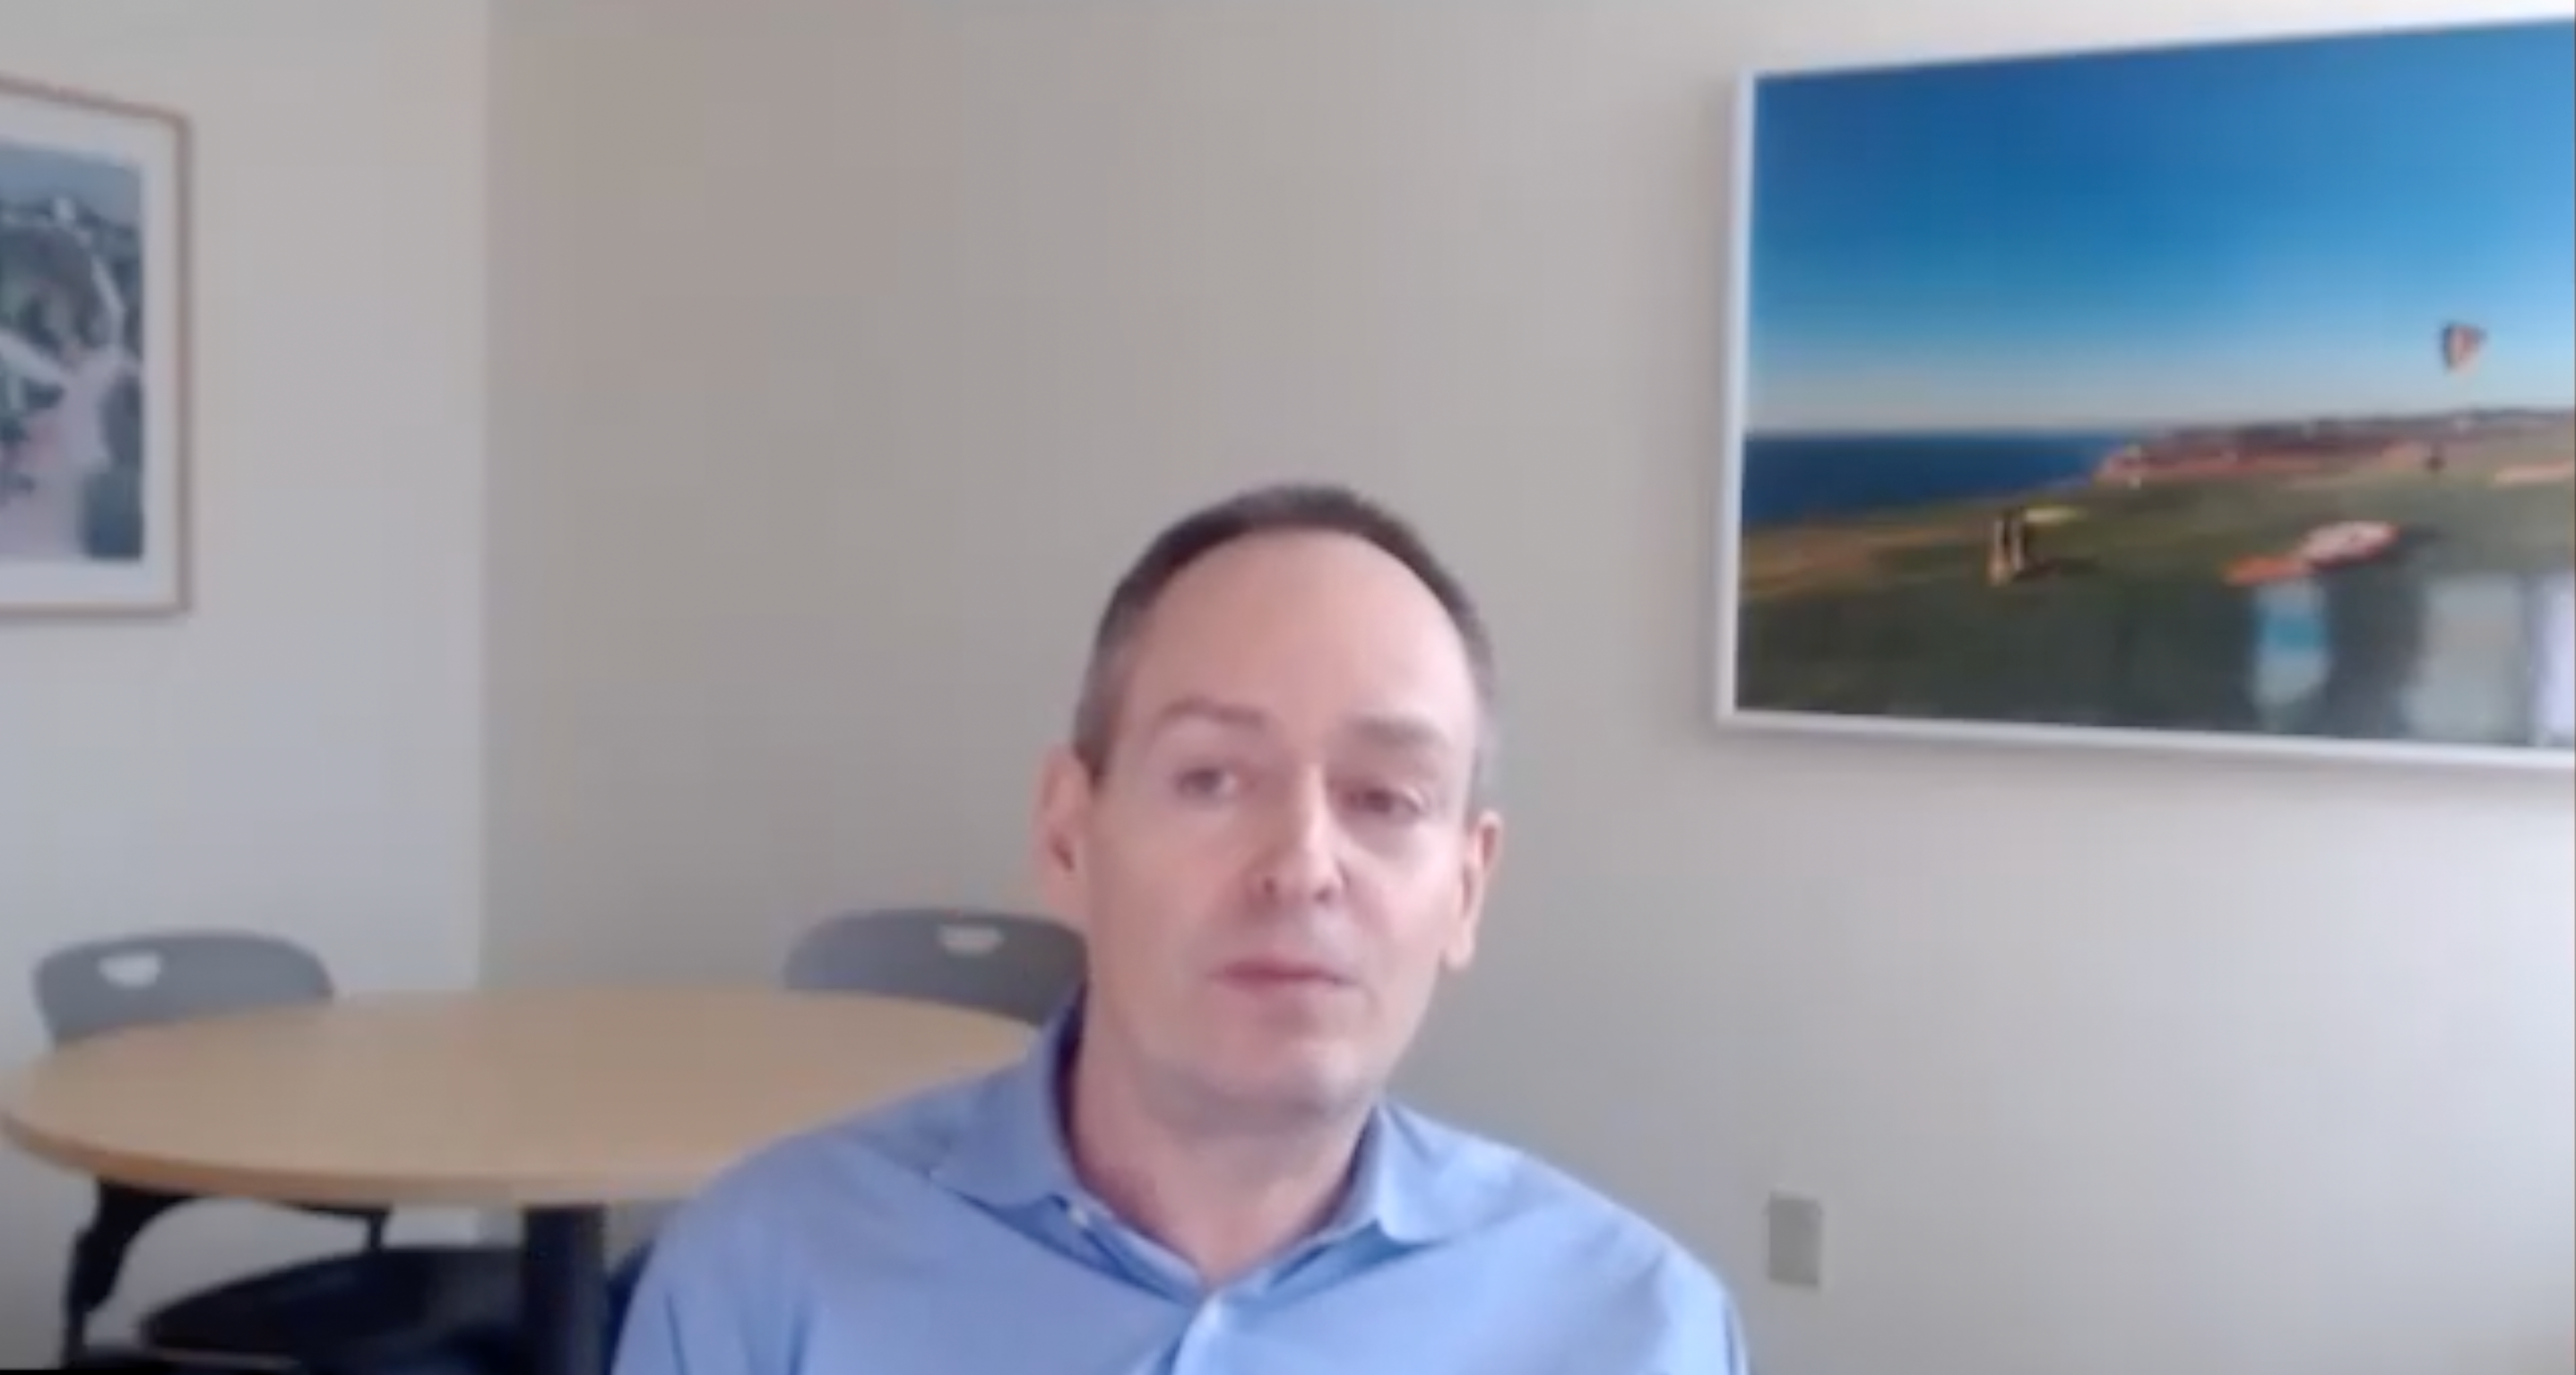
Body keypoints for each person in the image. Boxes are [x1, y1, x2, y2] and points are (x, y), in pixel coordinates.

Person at [610, 481, 1753, 1373]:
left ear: (1466, 887)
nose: (1303, 866)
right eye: (1212, 778)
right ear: (1068, 837)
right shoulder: (767, 1273)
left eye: (1384, 799)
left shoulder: (1638, 1328)